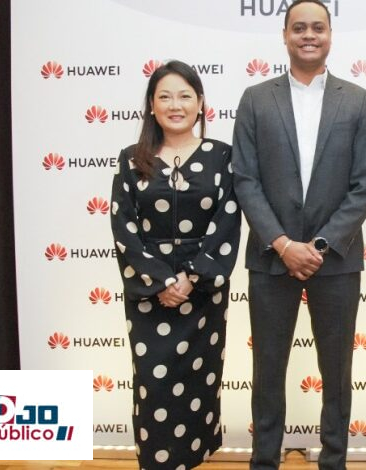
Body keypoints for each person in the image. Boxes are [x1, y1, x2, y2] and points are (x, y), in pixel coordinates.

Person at [232, 1, 366, 468]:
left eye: (318, 27)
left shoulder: (357, 100)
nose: (309, 35)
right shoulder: (256, 98)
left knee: (337, 373)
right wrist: (282, 243)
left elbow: (365, 184)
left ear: (330, 35)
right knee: (267, 371)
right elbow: (245, 180)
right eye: (299, 28)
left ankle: (333, 461)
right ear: (284, 35)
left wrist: (316, 246)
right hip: (270, 257)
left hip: (335, 260)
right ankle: (264, 462)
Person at [110, 60, 240, 469]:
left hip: (203, 293)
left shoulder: (222, 156)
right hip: (150, 294)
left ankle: (194, 460)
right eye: (164, 96)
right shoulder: (132, 159)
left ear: (200, 103)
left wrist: (193, 277)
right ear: (151, 105)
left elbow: (227, 220)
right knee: (154, 386)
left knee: (198, 383)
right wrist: (162, 281)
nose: (175, 105)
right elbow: (124, 228)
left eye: (185, 96)